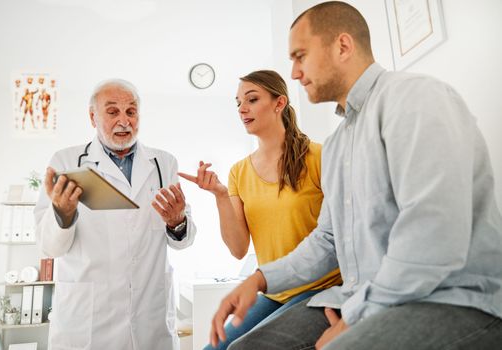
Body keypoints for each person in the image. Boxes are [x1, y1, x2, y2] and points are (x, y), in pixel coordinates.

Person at [210, 2, 502, 350]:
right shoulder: (337, 145)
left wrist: (356, 316)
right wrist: (260, 279)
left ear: (343, 46)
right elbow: (329, 240)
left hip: (449, 298)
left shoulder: (414, 98)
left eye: (300, 56)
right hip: (358, 296)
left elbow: (433, 232)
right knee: (244, 347)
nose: (294, 72)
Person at [179, 70, 341, 349]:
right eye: (238, 102)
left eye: (252, 99)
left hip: (321, 287)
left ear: (279, 103)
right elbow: (239, 248)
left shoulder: (319, 157)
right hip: (273, 289)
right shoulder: (239, 172)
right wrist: (220, 196)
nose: (242, 108)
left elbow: (340, 234)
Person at [34, 79, 197, 350]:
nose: (124, 121)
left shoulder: (163, 164)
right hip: (88, 323)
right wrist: (62, 214)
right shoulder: (67, 162)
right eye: (112, 112)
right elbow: (49, 246)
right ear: (92, 117)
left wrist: (177, 222)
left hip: (150, 318)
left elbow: (183, 240)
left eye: (131, 112)